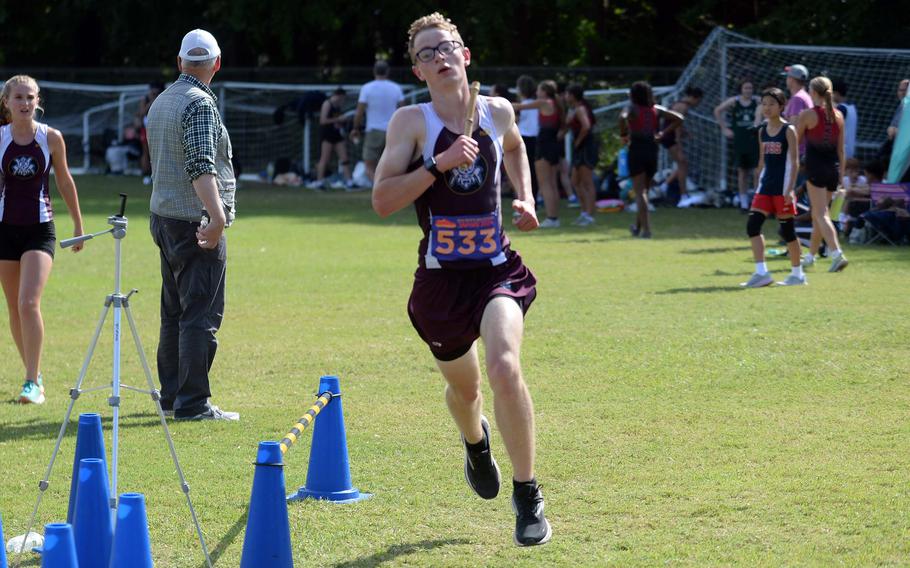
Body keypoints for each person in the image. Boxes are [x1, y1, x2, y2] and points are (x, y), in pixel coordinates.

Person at [372, 12, 551, 546]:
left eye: (446, 47)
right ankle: (475, 442)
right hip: (440, 285)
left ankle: (528, 496)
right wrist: (438, 165)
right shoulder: (411, 122)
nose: (440, 57)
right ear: (417, 71)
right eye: (427, 53)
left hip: (496, 271)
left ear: (466, 55)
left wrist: (526, 194)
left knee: (503, 365)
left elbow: (517, 147)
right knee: (465, 389)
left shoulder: (498, 111)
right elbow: (382, 201)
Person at [146, 29, 239, 421]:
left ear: (181, 61)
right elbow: (201, 165)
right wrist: (216, 218)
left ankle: (172, 396)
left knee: (174, 312)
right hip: (193, 221)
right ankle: (193, 402)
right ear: (216, 64)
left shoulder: (162, 100)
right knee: (200, 314)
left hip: (163, 216)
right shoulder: (200, 104)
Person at [0, 75, 84, 404]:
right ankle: (35, 375)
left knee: (28, 302)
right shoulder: (1, 138)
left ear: (38, 102)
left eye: (29, 97)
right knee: (14, 308)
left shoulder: (51, 138)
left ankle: (31, 382)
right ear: (6, 102)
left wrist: (78, 225)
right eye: (18, 97)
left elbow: (64, 181)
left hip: (40, 229)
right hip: (5, 229)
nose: (24, 103)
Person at [740, 88, 804, 288]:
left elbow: (795, 163)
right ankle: (761, 273)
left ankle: (797, 274)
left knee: (787, 232)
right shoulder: (762, 130)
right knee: (752, 226)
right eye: (764, 103)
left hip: (782, 188)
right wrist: (757, 181)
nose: (767, 108)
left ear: (781, 106)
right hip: (765, 187)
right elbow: (762, 160)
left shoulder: (789, 130)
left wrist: (789, 189)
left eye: (772, 104)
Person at [796, 76, 848, 272]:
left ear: (814, 93)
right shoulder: (839, 115)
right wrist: (841, 176)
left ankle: (837, 254)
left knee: (819, 214)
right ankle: (810, 256)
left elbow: (795, 140)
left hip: (816, 169)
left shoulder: (808, 114)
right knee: (821, 214)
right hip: (833, 170)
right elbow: (842, 151)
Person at [621, 81, 683, 239]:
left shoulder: (631, 108)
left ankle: (646, 230)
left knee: (640, 191)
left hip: (637, 148)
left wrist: (624, 134)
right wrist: (662, 133)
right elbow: (679, 118)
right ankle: (637, 227)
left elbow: (622, 118)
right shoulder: (656, 110)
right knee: (645, 191)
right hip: (652, 150)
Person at [514, 80, 561, 227]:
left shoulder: (544, 102)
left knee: (545, 184)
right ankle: (554, 217)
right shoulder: (557, 104)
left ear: (545, 92)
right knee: (552, 183)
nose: (537, 93)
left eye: (539, 90)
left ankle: (551, 218)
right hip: (553, 144)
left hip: (545, 145)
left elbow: (519, 106)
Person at [352, 60, 404, 186]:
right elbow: (403, 110)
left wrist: (355, 128)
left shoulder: (367, 88)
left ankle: (380, 188)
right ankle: (388, 188)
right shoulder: (396, 88)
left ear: (374, 71)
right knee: (389, 164)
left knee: (369, 164)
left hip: (373, 130)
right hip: (392, 130)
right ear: (388, 71)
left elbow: (359, 112)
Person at [714, 80, 761, 213]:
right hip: (740, 141)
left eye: (750, 88)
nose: (748, 90)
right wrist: (724, 128)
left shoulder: (758, 102)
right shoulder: (734, 101)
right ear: (741, 89)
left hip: (754, 141)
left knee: (757, 172)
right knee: (742, 172)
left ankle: (757, 203)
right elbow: (717, 110)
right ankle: (743, 203)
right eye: (746, 88)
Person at [660, 86, 703, 201]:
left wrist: (686, 133)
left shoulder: (680, 104)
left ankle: (665, 186)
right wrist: (678, 142)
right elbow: (676, 125)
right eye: (698, 101)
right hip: (670, 137)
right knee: (682, 164)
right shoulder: (682, 107)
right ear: (694, 98)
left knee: (683, 164)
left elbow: (676, 123)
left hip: (668, 136)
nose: (698, 104)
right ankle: (683, 196)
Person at [308, 87, 354, 190]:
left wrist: (340, 122)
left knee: (344, 158)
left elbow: (335, 120)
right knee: (324, 159)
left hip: (336, 134)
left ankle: (349, 182)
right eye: (342, 98)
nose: (343, 101)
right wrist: (338, 119)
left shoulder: (337, 106)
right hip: (327, 135)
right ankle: (319, 182)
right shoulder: (327, 104)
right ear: (339, 96)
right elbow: (323, 120)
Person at [566, 83, 597, 226]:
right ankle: (584, 212)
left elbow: (586, 126)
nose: (565, 96)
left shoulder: (580, 109)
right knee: (575, 182)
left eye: (567, 94)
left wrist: (578, 142)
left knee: (587, 182)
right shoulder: (573, 109)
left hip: (586, 147)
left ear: (573, 95)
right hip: (579, 149)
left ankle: (590, 215)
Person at [138, 82, 163, 184]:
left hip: (159, 127)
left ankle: (157, 175)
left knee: (158, 152)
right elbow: (142, 113)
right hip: (147, 128)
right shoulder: (145, 99)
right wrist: (151, 101)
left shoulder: (163, 98)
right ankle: (146, 174)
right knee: (146, 152)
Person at [831, 78, 857, 159]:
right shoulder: (852, 108)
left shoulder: (841, 109)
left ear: (836, 93)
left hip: (839, 154)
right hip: (848, 152)